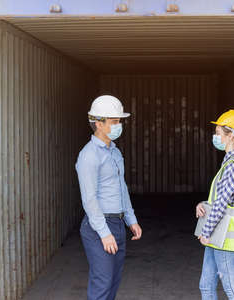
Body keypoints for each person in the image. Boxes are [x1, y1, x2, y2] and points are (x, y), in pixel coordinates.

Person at [76, 95, 143, 300]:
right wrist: (104, 233)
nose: (118, 126)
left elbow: (121, 188)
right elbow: (89, 199)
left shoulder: (113, 152)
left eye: (119, 121)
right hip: (99, 226)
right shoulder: (89, 156)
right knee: (103, 282)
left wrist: (131, 219)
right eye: (114, 122)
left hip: (117, 222)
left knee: (113, 281)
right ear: (98, 123)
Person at [196, 110, 234, 300]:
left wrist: (206, 231)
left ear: (230, 136)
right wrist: (203, 204)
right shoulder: (230, 163)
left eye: (218, 133)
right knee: (206, 285)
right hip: (218, 236)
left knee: (231, 288)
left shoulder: (233, 166)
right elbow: (221, 200)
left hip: (226, 239)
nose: (215, 137)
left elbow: (221, 205)